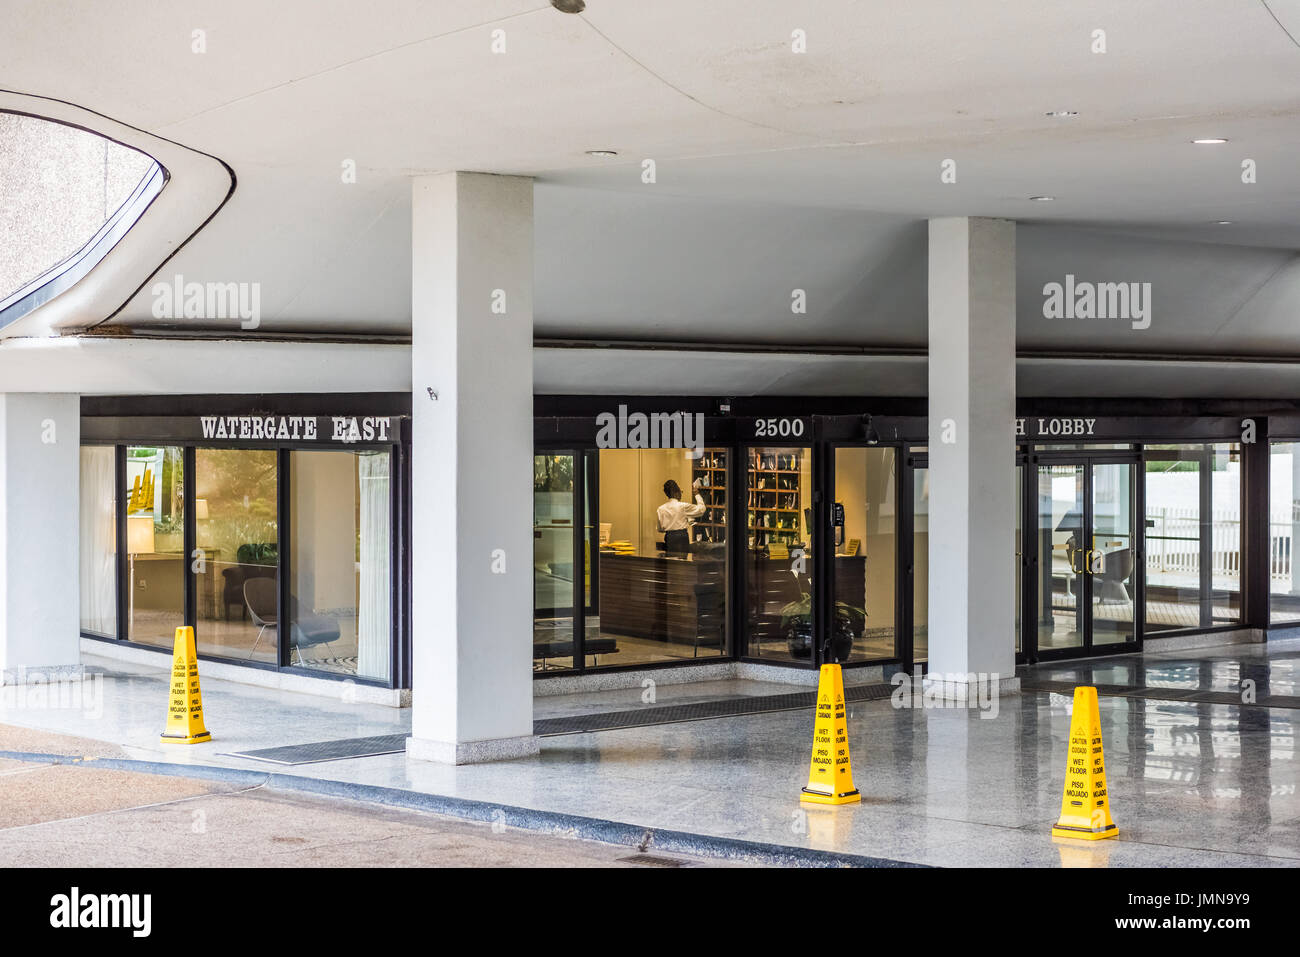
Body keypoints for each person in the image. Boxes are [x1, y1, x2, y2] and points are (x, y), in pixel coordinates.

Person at [657, 478, 706, 553]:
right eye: (681, 492)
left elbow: (660, 529)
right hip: (681, 538)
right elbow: (701, 510)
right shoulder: (682, 506)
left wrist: (671, 526)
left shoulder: (660, 509)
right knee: (682, 562)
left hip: (668, 537)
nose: (681, 494)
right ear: (676, 493)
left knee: (671, 562)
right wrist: (697, 494)